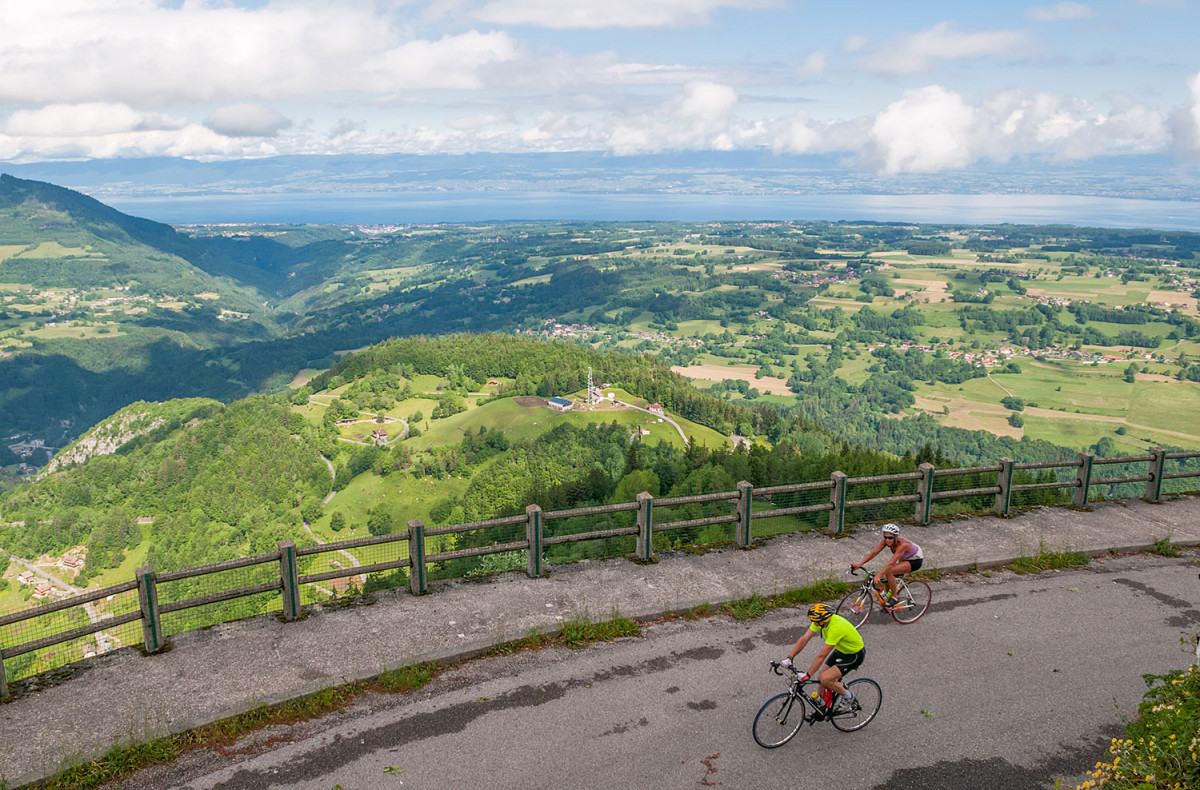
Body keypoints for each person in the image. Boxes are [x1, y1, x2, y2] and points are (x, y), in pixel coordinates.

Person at [780, 603, 865, 713]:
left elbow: (821, 656)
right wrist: (789, 658)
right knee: (821, 679)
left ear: (825, 619)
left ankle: (848, 697)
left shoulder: (836, 628)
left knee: (825, 679)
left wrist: (808, 675)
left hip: (854, 655)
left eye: (816, 621)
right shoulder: (821, 621)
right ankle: (821, 708)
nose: (814, 623)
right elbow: (804, 639)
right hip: (841, 651)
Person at [852, 522, 923, 609]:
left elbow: (891, 563)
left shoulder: (903, 545)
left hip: (915, 561)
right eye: (885, 537)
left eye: (890, 538)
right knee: (886, 578)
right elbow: (874, 552)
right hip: (904, 559)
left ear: (896, 537)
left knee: (889, 571)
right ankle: (889, 601)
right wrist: (859, 564)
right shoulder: (886, 541)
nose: (887, 540)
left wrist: (879, 575)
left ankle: (894, 597)